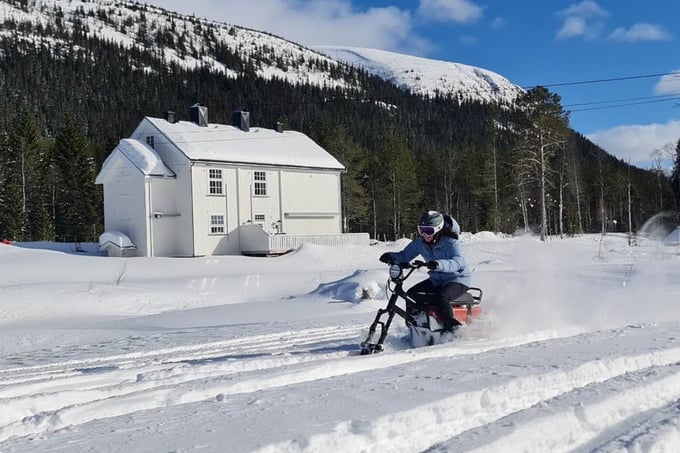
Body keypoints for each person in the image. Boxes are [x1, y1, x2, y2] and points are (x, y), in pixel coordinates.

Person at [379, 210, 471, 340]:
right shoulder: (420, 242)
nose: (424, 234)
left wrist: (438, 264)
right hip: (437, 280)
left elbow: (457, 262)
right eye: (421, 230)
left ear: (438, 230)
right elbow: (405, 255)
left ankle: (453, 329)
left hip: (458, 279)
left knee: (442, 296)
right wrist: (391, 257)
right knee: (411, 294)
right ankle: (417, 327)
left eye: (428, 231)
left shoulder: (451, 243)